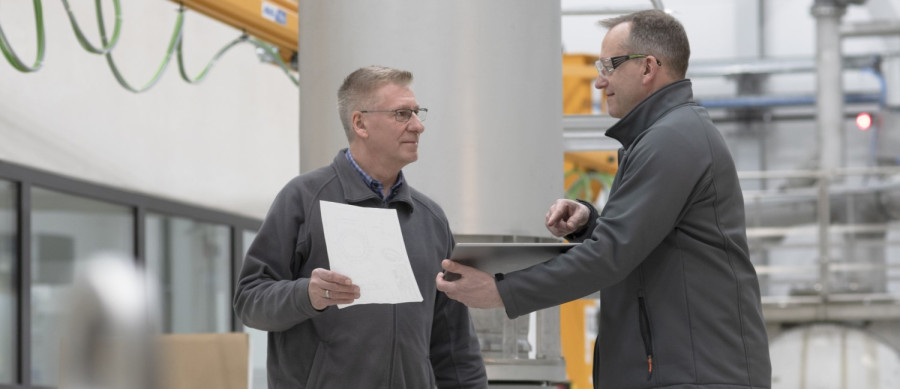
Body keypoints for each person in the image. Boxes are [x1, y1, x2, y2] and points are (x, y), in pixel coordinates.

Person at [436, 10, 771, 389]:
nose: (599, 81)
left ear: (648, 67)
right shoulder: (664, 137)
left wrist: (502, 292)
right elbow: (646, 246)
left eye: (608, 66)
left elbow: (610, 256)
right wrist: (591, 224)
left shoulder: (673, 140)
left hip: (693, 376)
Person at [234, 66, 487, 389]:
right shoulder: (302, 199)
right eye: (402, 114)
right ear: (360, 123)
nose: (418, 125)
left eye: (417, 113)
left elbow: (454, 342)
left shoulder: (430, 219)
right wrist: (306, 294)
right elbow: (250, 301)